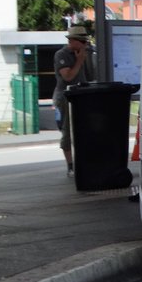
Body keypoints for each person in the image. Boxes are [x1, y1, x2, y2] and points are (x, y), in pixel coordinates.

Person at [53, 25, 96, 175]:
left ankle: (84, 161)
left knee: (85, 129)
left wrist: (87, 59)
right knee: (68, 130)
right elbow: (68, 76)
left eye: (85, 42)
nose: (85, 45)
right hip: (66, 96)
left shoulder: (85, 54)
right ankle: (70, 165)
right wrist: (79, 60)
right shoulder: (62, 54)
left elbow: (91, 76)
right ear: (72, 41)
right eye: (82, 42)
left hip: (82, 94)